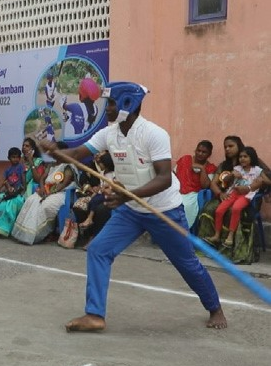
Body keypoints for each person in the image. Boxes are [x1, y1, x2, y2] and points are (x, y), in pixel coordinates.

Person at [39, 81, 226, 332]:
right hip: (132, 210)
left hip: (163, 209)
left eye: (112, 103)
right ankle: (94, 315)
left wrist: (126, 196)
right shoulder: (109, 133)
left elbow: (164, 178)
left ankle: (215, 308)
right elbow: (77, 153)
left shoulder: (154, 134)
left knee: (186, 263)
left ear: (128, 104)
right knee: (99, 250)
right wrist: (56, 151)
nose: (107, 108)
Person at [195, 136, 270, 264]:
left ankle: (228, 251)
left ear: (239, 146)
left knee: (232, 210)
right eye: (225, 147)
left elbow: (266, 178)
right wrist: (219, 194)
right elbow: (214, 183)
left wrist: (256, 185)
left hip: (248, 199)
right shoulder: (225, 165)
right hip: (228, 195)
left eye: (230, 146)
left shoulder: (254, 163)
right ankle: (209, 245)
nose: (227, 149)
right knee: (209, 208)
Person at [11, 141, 76, 244]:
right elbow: (42, 179)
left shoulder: (67, 166)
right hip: (45, 191)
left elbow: (64, 183)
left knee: (46, 206)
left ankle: (42, 234)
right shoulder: (51, 165)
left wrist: (50, 193)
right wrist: (42, 189)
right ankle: (28, 234)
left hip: (60, 193)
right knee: (31, 200)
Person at [206, 146, 263, 249]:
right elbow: (225, 179)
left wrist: (253, 185)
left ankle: (230, 236)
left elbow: (262, 182)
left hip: (246, 195)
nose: (242, 159)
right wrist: (232, 175)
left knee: (236, 208)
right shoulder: (237, 169)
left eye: (245, 156)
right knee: (219, 210)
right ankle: (217, 235)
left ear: (252, 158)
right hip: (234, 193)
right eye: (240, 157)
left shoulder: (257, 170)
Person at [174, 140, 216, 228]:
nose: (200, 154)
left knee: (185, 205)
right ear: (195, 150)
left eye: (204, 152)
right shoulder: (185, 159)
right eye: (198, 150)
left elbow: (206, 186)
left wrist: (202, 169)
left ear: (209, 154)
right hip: (177, 190)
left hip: (193, 194)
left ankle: (183, 229)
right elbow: (173, 174)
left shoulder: (210, 167)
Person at [0, 147, 25, 236]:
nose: (15, 159)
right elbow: (2, 180)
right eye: (13, 157)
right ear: (8, 158)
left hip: (17, 192)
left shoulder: (21, 167)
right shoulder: (8, 170)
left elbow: (23, 179)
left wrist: (23, 189)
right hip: (8, 191)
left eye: (17, 157)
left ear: (20, 158)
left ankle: (4, 228)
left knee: (7, 205)